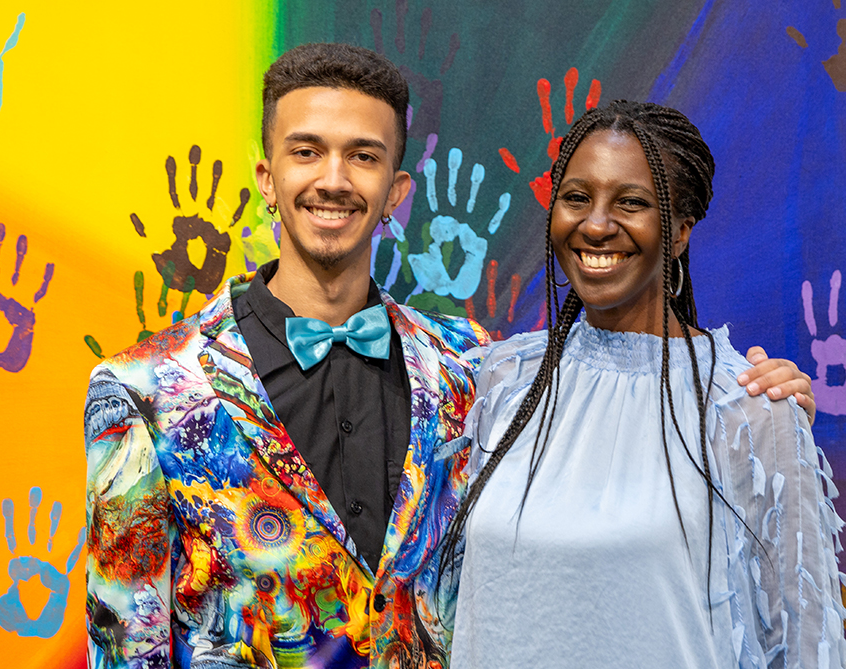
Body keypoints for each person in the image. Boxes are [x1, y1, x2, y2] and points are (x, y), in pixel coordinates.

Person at [84, 44, 815, 668]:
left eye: (362, 156)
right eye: (306, 150)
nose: (333, 178)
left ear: (396, 191)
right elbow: (124, 640)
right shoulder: (144, 390)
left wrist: (756, 408)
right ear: (267, 178)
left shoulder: (480, 369)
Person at [446, 101, 844, 669]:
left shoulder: (751, 410)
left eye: (631, 202)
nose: (597, 224)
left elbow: (810, 648)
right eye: (577, 198)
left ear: (681, 232)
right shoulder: (504, 380)